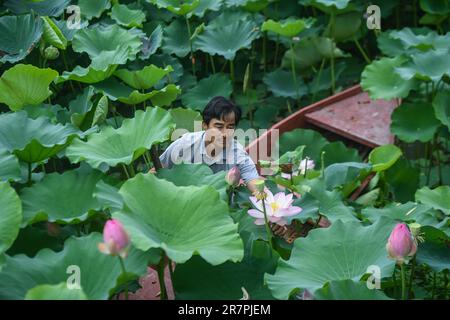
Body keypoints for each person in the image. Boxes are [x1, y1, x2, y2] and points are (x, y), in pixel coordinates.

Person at [155, 96, 261, 193]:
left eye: (230, 127)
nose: (225, 133)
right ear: (205, 125)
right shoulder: (185, 144)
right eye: (219, 126)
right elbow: (158, 170)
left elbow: (255, 184)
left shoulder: (238, 152)